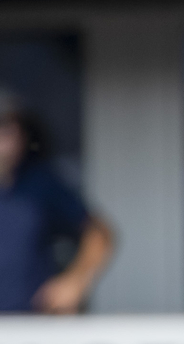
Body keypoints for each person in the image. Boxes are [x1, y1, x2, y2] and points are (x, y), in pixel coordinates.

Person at [0, 91, 112, 314]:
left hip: (31, 326)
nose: (7, 134)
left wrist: (75, 281)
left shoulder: (40, 184)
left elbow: (99, 233)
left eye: (10, 125)